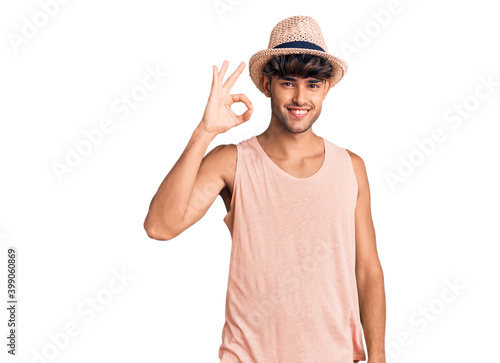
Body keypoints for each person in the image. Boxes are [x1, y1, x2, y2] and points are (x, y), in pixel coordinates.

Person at [144, 15, 386, 363]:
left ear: (327, 89)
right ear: (267, 83)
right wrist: (205, 132)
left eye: (313, 84)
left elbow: (367, 268)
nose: (300, 98)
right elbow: (160, 226)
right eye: (288, 83)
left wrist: (377, 356)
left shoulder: (351, 167)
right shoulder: (232, 161)